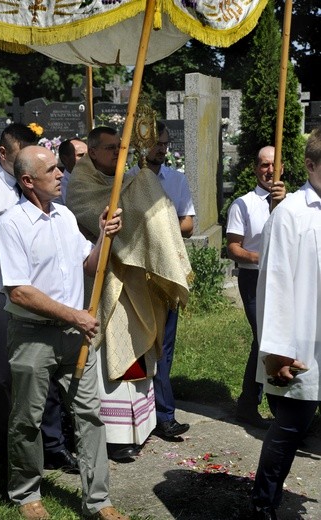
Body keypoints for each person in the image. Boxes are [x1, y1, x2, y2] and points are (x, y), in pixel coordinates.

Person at [0, 144, 127, 520]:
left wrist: (103, 236)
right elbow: (19, 290)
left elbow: (88, 264)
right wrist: (75, 315)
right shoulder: (10, 225)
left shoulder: (65, 216)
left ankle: (98, 501)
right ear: (28, 180)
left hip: (74, 337)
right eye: (51, 169)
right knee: (27, 418)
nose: (61, 173)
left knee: (90, 415)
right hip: (34, 336)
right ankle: (27, 493)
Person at [66, 126, 191, 461]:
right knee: (112, 355)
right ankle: (115, 436)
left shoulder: (124, 179)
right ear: (92, 151)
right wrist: (136, 191)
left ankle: (141, 426)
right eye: (109, 148)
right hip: (103, 282)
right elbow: (97, 217)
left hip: (134, 280)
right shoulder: (81, 183)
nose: (116, 153)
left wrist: (141, 186)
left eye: (119, 147)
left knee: (138, 350)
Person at [0, 122, 76, 473]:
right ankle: (9, 454)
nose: (27, 167)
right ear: (4, 153)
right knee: (4, 373)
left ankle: (52, 446)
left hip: (44, 289)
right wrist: (14, 279)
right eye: (21, 158)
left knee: (45, 368)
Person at [251, 128, 321, 520]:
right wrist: (276, 351)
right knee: (292, 426)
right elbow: (275, 282)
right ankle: (264, 502)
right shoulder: (291, 212)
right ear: (310, 166)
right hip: (302, 340)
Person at [127, 121, 195, 439]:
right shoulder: (128, 181)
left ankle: (164, 414)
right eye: (156, 143)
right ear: (141, 145)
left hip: (165, 274)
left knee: (164, 346)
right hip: (137, 273)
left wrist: (160, 228)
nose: (162, 149)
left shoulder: (176, 180)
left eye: (165, 144)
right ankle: (135, 413)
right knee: (136, 343)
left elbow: (188, 224)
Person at [226, 146, 286, 429]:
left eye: (274, 165)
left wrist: (283, 204)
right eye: (264, 165)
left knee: (268, 340)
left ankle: (251, 403)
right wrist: (260, 258)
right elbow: (234, 248)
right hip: (254, 280)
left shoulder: (293, 202)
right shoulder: (243, 204)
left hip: (283, 280)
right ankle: (264, 404)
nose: (269, 170)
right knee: (264, 339)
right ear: (255, 169)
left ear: (282, 168)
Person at [55, 137, 87, 204]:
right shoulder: (57, 189)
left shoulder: (100, 179)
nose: (87, 159)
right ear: (65, 159)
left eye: (88, 155)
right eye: (81, 155)